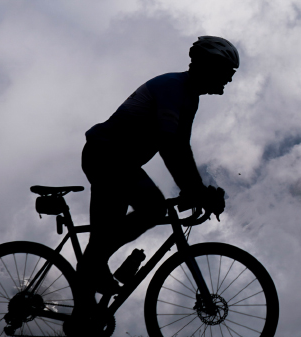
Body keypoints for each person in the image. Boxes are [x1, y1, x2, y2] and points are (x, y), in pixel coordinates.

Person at [78, 36, 237, 298]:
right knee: (153, 209)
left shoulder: (189, 97)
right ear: (208, 66)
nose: (229, 79)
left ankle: (82, 320)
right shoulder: (173, 88)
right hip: (107, 157)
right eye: (226, 71)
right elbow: (170, 145)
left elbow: (181, 147)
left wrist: (194, 190)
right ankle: (91, 266)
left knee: (101, 243)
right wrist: (196, 190)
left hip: (114, 161)